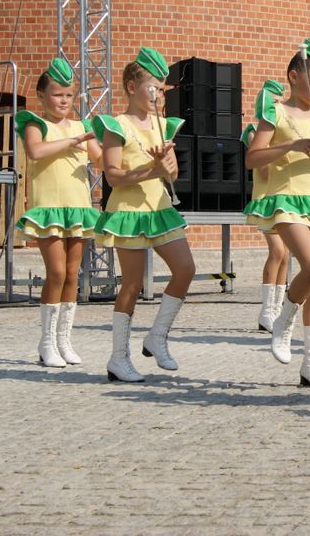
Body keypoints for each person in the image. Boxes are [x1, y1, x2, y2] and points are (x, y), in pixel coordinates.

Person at [245, 38, 310, 389]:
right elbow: (252, 158)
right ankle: (282, 323)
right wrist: (290, 145)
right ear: (293, 76)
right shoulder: (275, 112)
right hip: (285, 199)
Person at [93, 47, 196, 382]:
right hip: (128, 212)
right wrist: (152, 170)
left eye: (161, 88)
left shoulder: (163, 125)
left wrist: (166, 167)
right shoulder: (116, 125)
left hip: (159, 209)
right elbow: (113, 177)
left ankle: (157, 336)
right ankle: (118, 358)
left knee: (186, 270)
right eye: (152, 86)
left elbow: (173, 173)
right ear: (130, 87)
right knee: (133, 284)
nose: (157, 94)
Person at [16, 58, 101, 367]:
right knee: (56, 271)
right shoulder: (35, 124)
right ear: (41, 96)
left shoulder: (84, 127)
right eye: (56, 95)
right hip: (48, 209)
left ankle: (65, 340)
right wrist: (71, 142)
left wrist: (109, 145)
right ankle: (46, 342)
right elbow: (35, 151)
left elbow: (102, 161)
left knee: (72, 274)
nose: (63, 101)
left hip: (78, 208)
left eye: (68, 95)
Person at [242, 80, 290, 333]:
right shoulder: (253, 130)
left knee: (286, 254)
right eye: (274, 101)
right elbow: (262, 167)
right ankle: (266, 311)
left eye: (281, 101)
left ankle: (277, 308)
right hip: (265, 197)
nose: (278, 105)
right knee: (277, 252)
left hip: (284, 196)